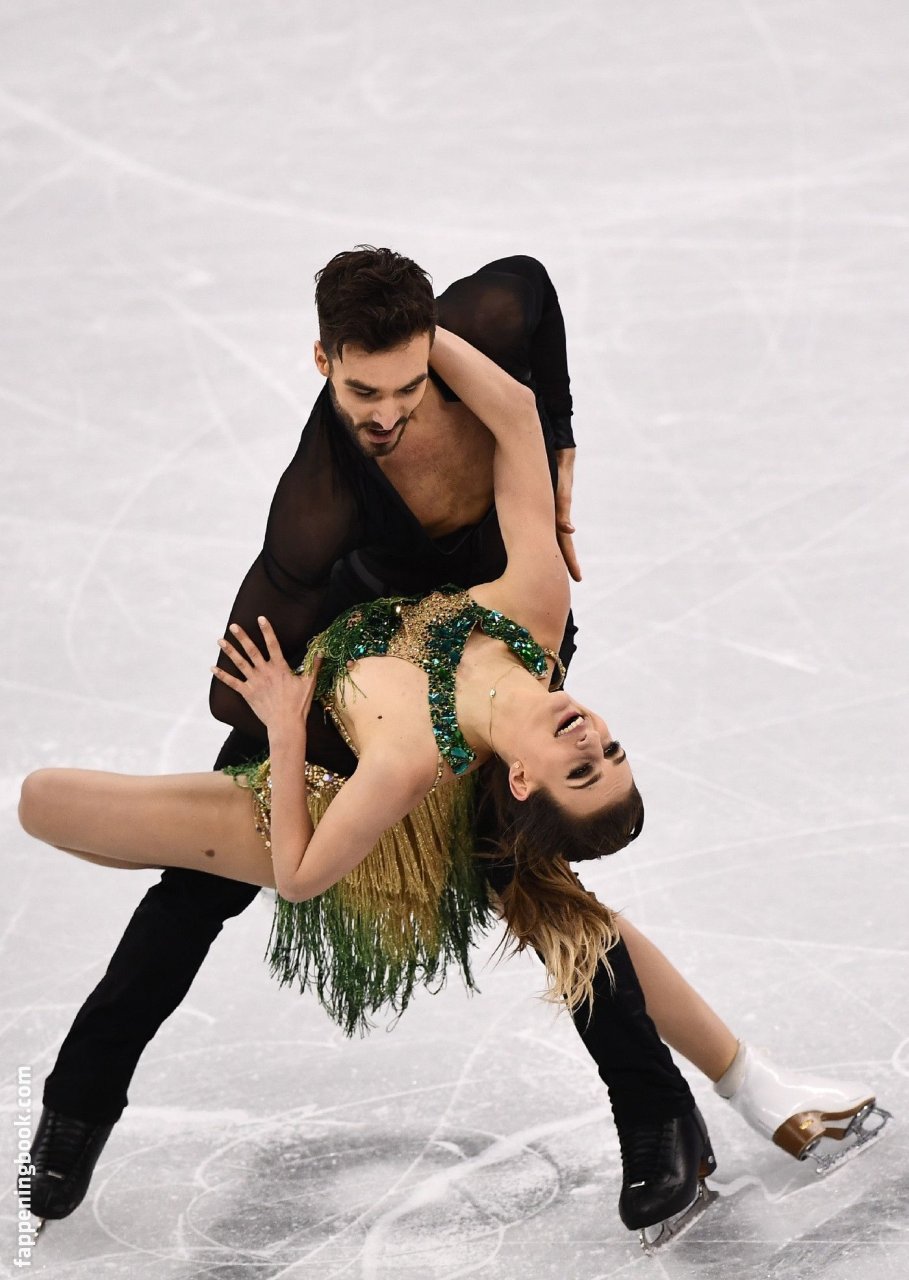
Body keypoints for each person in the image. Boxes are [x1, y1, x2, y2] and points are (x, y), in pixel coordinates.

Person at [19, 251, 884, 1247]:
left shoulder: (495, 642)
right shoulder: (332, 513)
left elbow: (524, 353)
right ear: (325, 365)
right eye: (365, 393)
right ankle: (78, 1104)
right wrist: (288, 724)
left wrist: (555, 453)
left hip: (437, 685)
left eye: (408, 384)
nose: (387, 414)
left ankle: (682, 1115)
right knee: (194, 895)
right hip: (350, 681)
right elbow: (239, 690)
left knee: (533, 879)